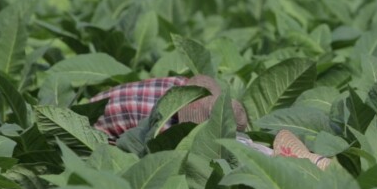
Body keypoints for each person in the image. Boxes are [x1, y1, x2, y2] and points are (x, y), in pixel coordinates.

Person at [89, 75, 331, 170]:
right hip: (97, 136)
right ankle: (283, 162)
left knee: (229, 144)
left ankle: (284, 157)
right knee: (220, 154)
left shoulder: (182, 86)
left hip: (110, 109)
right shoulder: (162, 121)